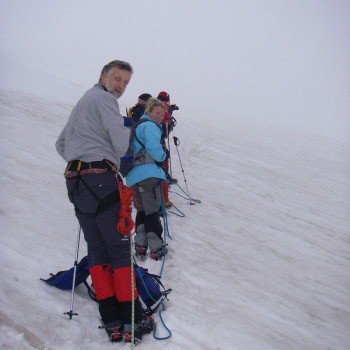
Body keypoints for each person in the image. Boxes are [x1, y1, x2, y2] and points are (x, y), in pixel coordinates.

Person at [55, 60, 153, 344]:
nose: (120, 86)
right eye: (117, 79)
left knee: (98, 251)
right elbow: (121, 144)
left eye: (125, 82)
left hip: (76, 183)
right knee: (119, 251)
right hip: (101, 180)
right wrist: (100, 155)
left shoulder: (83, 101)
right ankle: (133, 320)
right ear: (103, 77)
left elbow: (61, 144)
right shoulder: (105, 100)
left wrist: (81, 161)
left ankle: (111, 320)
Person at [125, 98, 169, 261]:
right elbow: (154, 148)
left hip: (133, 177)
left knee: (142, 211)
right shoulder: (149, 126)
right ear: (149, 111)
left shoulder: (138, 125)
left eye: (162, 114)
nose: (159, 116)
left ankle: (140, 246)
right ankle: (156, 248)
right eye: (157, 112)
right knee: (152, 212)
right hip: (148, 175)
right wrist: (163, 156)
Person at [156, 91, 178, 208]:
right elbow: (167, 122)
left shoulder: (154, 105)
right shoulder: (165, 107)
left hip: (155, 138)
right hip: (160, 139)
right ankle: (163, 200)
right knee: (163, 163)